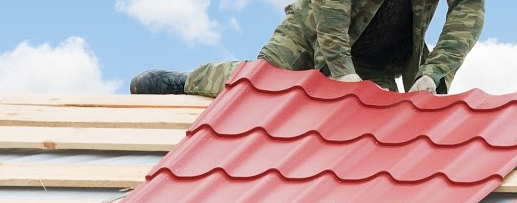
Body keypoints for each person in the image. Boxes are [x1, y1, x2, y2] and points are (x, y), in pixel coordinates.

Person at [130, 0, 484, 96]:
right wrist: (341, 70)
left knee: (379, 128)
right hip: (311, 32)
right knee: (259, 88)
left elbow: (467, 11)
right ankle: (188, 81)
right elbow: (331, 9)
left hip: (381, 59)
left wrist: (434, 72)